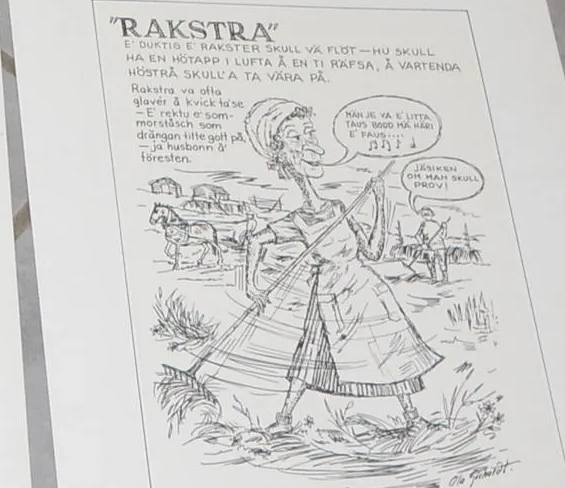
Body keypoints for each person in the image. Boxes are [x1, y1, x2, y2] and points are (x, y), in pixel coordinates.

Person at [187, 99, 439, 431]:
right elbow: (255, 242)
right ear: (283, 158)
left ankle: (413, 418)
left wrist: (380, 201)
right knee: (311, 355)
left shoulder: (338, 207)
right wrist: (251, 285)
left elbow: (374, 252)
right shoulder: (297, 220)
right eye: (295, 137)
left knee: (389, 349)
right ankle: (284, 419)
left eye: (308, 134)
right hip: (330, 294)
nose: (310, 146)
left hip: (366, 289)